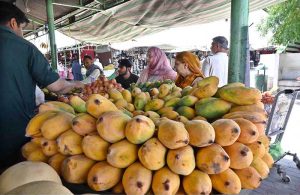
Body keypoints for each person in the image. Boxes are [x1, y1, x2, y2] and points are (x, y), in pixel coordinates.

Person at [0, 2, 84, 168]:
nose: (21, 33)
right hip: (13, 136)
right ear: (13, 23)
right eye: (22, 28)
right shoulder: (24, 48)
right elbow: (57, 87)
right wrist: (79, 84)